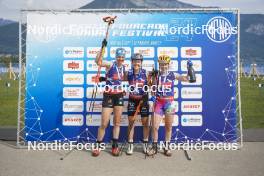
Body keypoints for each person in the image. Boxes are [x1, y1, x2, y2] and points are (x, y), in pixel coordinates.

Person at [147, 55, 193, 157]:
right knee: (154, 127)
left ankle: (167, 147)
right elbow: (151, 87)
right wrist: (152, 96)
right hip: (158, 103)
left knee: (168, 127)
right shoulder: (156, 75)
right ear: (159, 65)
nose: (163, 66)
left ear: (168, 64)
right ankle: (154, 147)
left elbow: (186, 79)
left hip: (169, 103)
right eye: (161, 64)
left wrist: (189, 68)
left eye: (165, 64)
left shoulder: (173, 75)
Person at [92, 47, 126, 157]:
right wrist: (102, 49)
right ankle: (98, 146)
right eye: (119, 56)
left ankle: (115, 146)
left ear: (124, 58)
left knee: (117, 123)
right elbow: (98, 62)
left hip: (119, 96)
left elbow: (121, 80)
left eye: (122, 57)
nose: (120, 59)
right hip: (109, 96)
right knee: (104, 123)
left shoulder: (124, 68)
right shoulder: (110, 65)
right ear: (116, 57)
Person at [124, 53, 150, 155]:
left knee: (145, 123)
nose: (136, 63)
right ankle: (130, 145)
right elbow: (117, 80)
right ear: (131, 62)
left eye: (138, 61)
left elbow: (153, 84)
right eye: (134, 61)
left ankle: (145, 144)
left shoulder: (146, 73)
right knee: (131, 123)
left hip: (143, 100)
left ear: (141, 62)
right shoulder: (128, 73)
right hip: (132, 100)